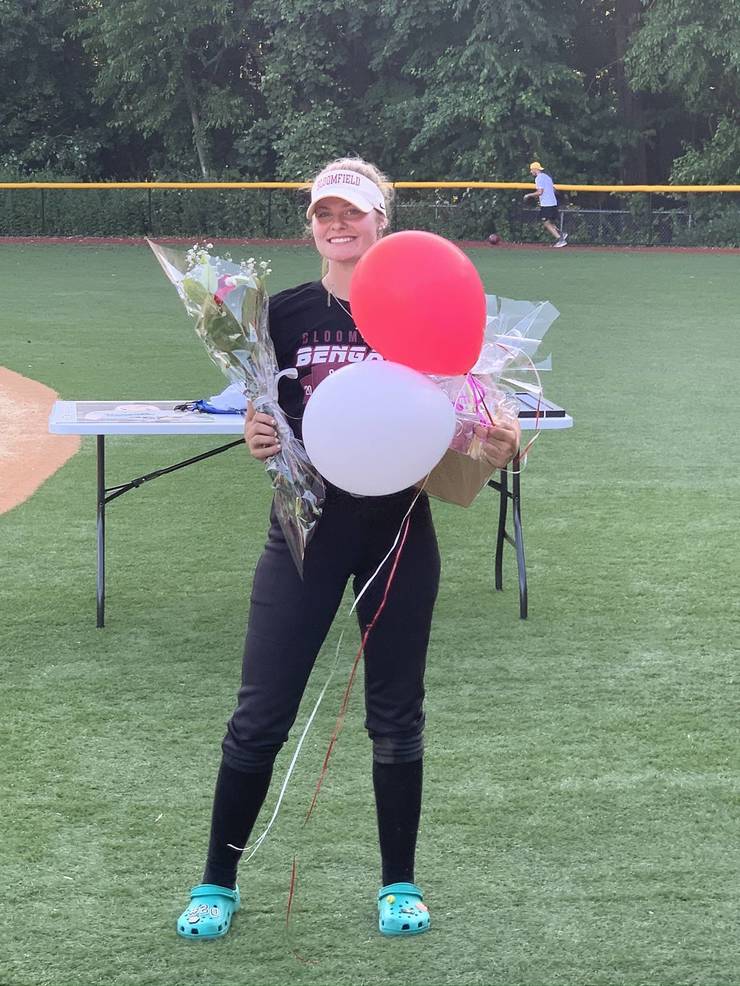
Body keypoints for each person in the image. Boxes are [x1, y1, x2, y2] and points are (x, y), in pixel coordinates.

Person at [176, 157, 521, 941]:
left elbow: (472, 421)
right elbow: (263, 411)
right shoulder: (283, 315)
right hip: (306, 534)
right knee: (260, 715)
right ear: (311, 226)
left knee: (397, 714)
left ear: (381, 222)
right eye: (324, 213)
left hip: (399, 531)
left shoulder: (422, 304)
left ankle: (399, 884)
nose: (338, 224)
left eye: (353, 212)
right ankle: (216, 883)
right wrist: (255, 433)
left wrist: (495, 440)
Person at [522, 161, 568, 247]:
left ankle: (560, 239)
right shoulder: (547, 177)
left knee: (546, 222)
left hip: (547, 204)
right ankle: (561, 234)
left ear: (535, 169)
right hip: (553, 202)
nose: (531, 172)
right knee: (550, 221)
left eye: (531, 170)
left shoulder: (538, 178)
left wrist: (528, 195)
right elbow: (553, 190)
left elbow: (540, 192)